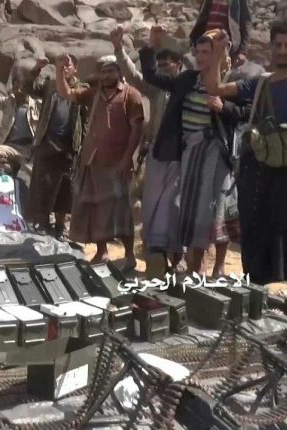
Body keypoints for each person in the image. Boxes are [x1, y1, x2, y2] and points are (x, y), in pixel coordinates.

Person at [202, 17, 287, 319]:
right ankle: (255, 290)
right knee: (253, 227)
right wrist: (219, 52)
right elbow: (214, 87)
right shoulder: (260, 81)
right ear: (272, 46)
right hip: (255, 165)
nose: (283, 50)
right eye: (278, 44)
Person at [141, 26, 250, 277]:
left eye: (206, 52)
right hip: (190, 152)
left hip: (218, 152)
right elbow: (151, 76)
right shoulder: (188, 79)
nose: (200, 57)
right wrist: (152, 46)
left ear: (218, 54)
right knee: (193, 209)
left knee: (219, 208)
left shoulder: (231, 80)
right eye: (197, 52)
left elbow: (247, 113)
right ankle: (196, 265)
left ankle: (219, 267)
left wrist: (224, 108)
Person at [56, 54, 144, 270]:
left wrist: (127, 159)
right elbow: (66, 93)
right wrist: (59, 70)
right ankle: (101, 251)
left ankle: (129, 255)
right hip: (93, 161)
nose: (106, 76)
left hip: (117, 165)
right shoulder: (94, 93)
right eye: (103, 72)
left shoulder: (131, 95)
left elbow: (137, 130)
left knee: (121, 213)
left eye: (110, 71)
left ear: (119, 72)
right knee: (95, 208)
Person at [110, 26, 186, 274]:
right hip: (157, 153)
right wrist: (119, 49)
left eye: (167, 65)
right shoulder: (157, 90)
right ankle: (156, 256)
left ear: (179, 64)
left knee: (177, 206)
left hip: (183, 155)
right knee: (153, 205)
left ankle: (178, 257)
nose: (162, 69)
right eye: (159, 65)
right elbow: (133, 76)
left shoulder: (190, 86)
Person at [24, 55, 88, 239]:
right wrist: (36, 68)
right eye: (62, 65)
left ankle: (60, 226)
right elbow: (29, 88)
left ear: (76, 68)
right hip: (48, 140)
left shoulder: (83, 88)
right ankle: (42, 223)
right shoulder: (50, 85)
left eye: (68, 65)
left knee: (65, 188)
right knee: (43, 184)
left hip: (71, 144)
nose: (65, 68)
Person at [0, 67, 39, 176]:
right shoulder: (8, 102)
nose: (18, 91)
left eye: (21, 88)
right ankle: (7, 169)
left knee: (33, 175)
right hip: (9, 147)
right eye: (15, 87)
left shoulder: (36, 106)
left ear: (27, 89)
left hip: (27, 151)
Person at [189, 0, 251, 68]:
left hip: (226, 46)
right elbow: (201, 19)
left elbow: (246, 22)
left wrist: (243, 52)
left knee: (222, 71)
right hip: (206, 43)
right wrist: (194, 41)